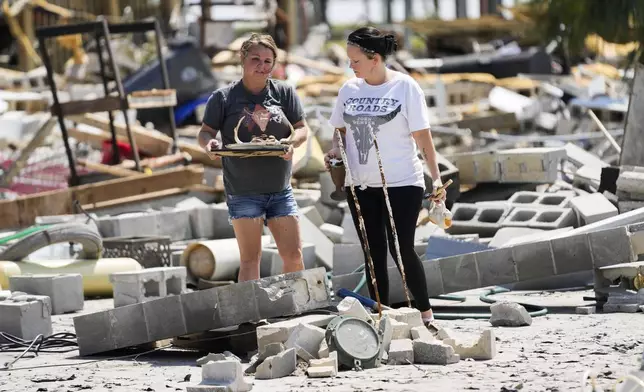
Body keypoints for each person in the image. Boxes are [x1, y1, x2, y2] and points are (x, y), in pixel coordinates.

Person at [324, 27, 446, 327]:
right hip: (360, 184)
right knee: (373, 251)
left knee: (401, 248)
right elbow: (338, 133)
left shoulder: (406, 87)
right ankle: (382, 317)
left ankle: (426, 314)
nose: (350, 66)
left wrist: (437, 179)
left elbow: (423, 138)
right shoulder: (349, 90)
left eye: (355, 60)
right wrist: (334, 154)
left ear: (374, 58)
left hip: (403, 182)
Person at [198, 33, 309, 282]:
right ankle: (251, 317)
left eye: (268, 61)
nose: (262, 65)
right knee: (250, 259)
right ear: (243, 59)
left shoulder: (285, 93)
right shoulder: (223, 98)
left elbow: (302, 128)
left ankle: (292, 309)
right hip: (243, 191)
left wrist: (293, 142)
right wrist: (210, 145)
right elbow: (205, 133)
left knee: (293, 255)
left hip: (280, 190)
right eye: (255, 59)